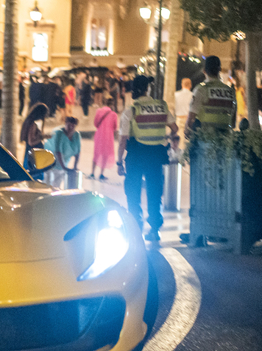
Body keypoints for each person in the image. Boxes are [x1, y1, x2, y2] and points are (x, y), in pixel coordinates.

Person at [117, 75, 178, 242]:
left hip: (136, 155)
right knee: (154, 191)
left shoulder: (131, 110)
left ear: (134, 91)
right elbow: (175, 128)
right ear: (147, 89)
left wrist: (119, 161)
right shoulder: (161, 106)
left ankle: (136, 226)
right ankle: (154, 229)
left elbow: (123, 139)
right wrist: (166, 140)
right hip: (156, 156)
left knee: (133, 190)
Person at [185, 56, 236, 136]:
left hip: (205, 140)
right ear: (219, 70)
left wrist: (187, 131)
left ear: (204, 70)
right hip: (225, 140)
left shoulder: (201, 89)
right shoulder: (230, 91)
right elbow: (233, 122)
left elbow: (191, 117)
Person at [43, 117, 81, 188]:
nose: (71, 128)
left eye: (73, 126)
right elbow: (58, 152)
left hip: (64, 160)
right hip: (50, 158)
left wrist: (75, 166)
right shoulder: (59, 133)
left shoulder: (76, 135)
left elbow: (77, 152)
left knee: (58, 182)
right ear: (65, 124)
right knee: (48, 181)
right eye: (69, 125)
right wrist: (63, 167)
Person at [90, 97, 118, 180]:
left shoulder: (99, 111)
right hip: (108, 137)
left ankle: (92, 173)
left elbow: (95, 123)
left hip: (99, 135)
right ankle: (101, 173)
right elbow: (115, 127)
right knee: (105, 155)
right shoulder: (114, 114)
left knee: (96, 153)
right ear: (112, 105)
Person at [19, 102, 51, 176]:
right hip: (34, 158)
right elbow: (31, 142)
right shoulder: (32, 124)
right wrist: (43, 137)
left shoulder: (30, 122)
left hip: (32, 156)